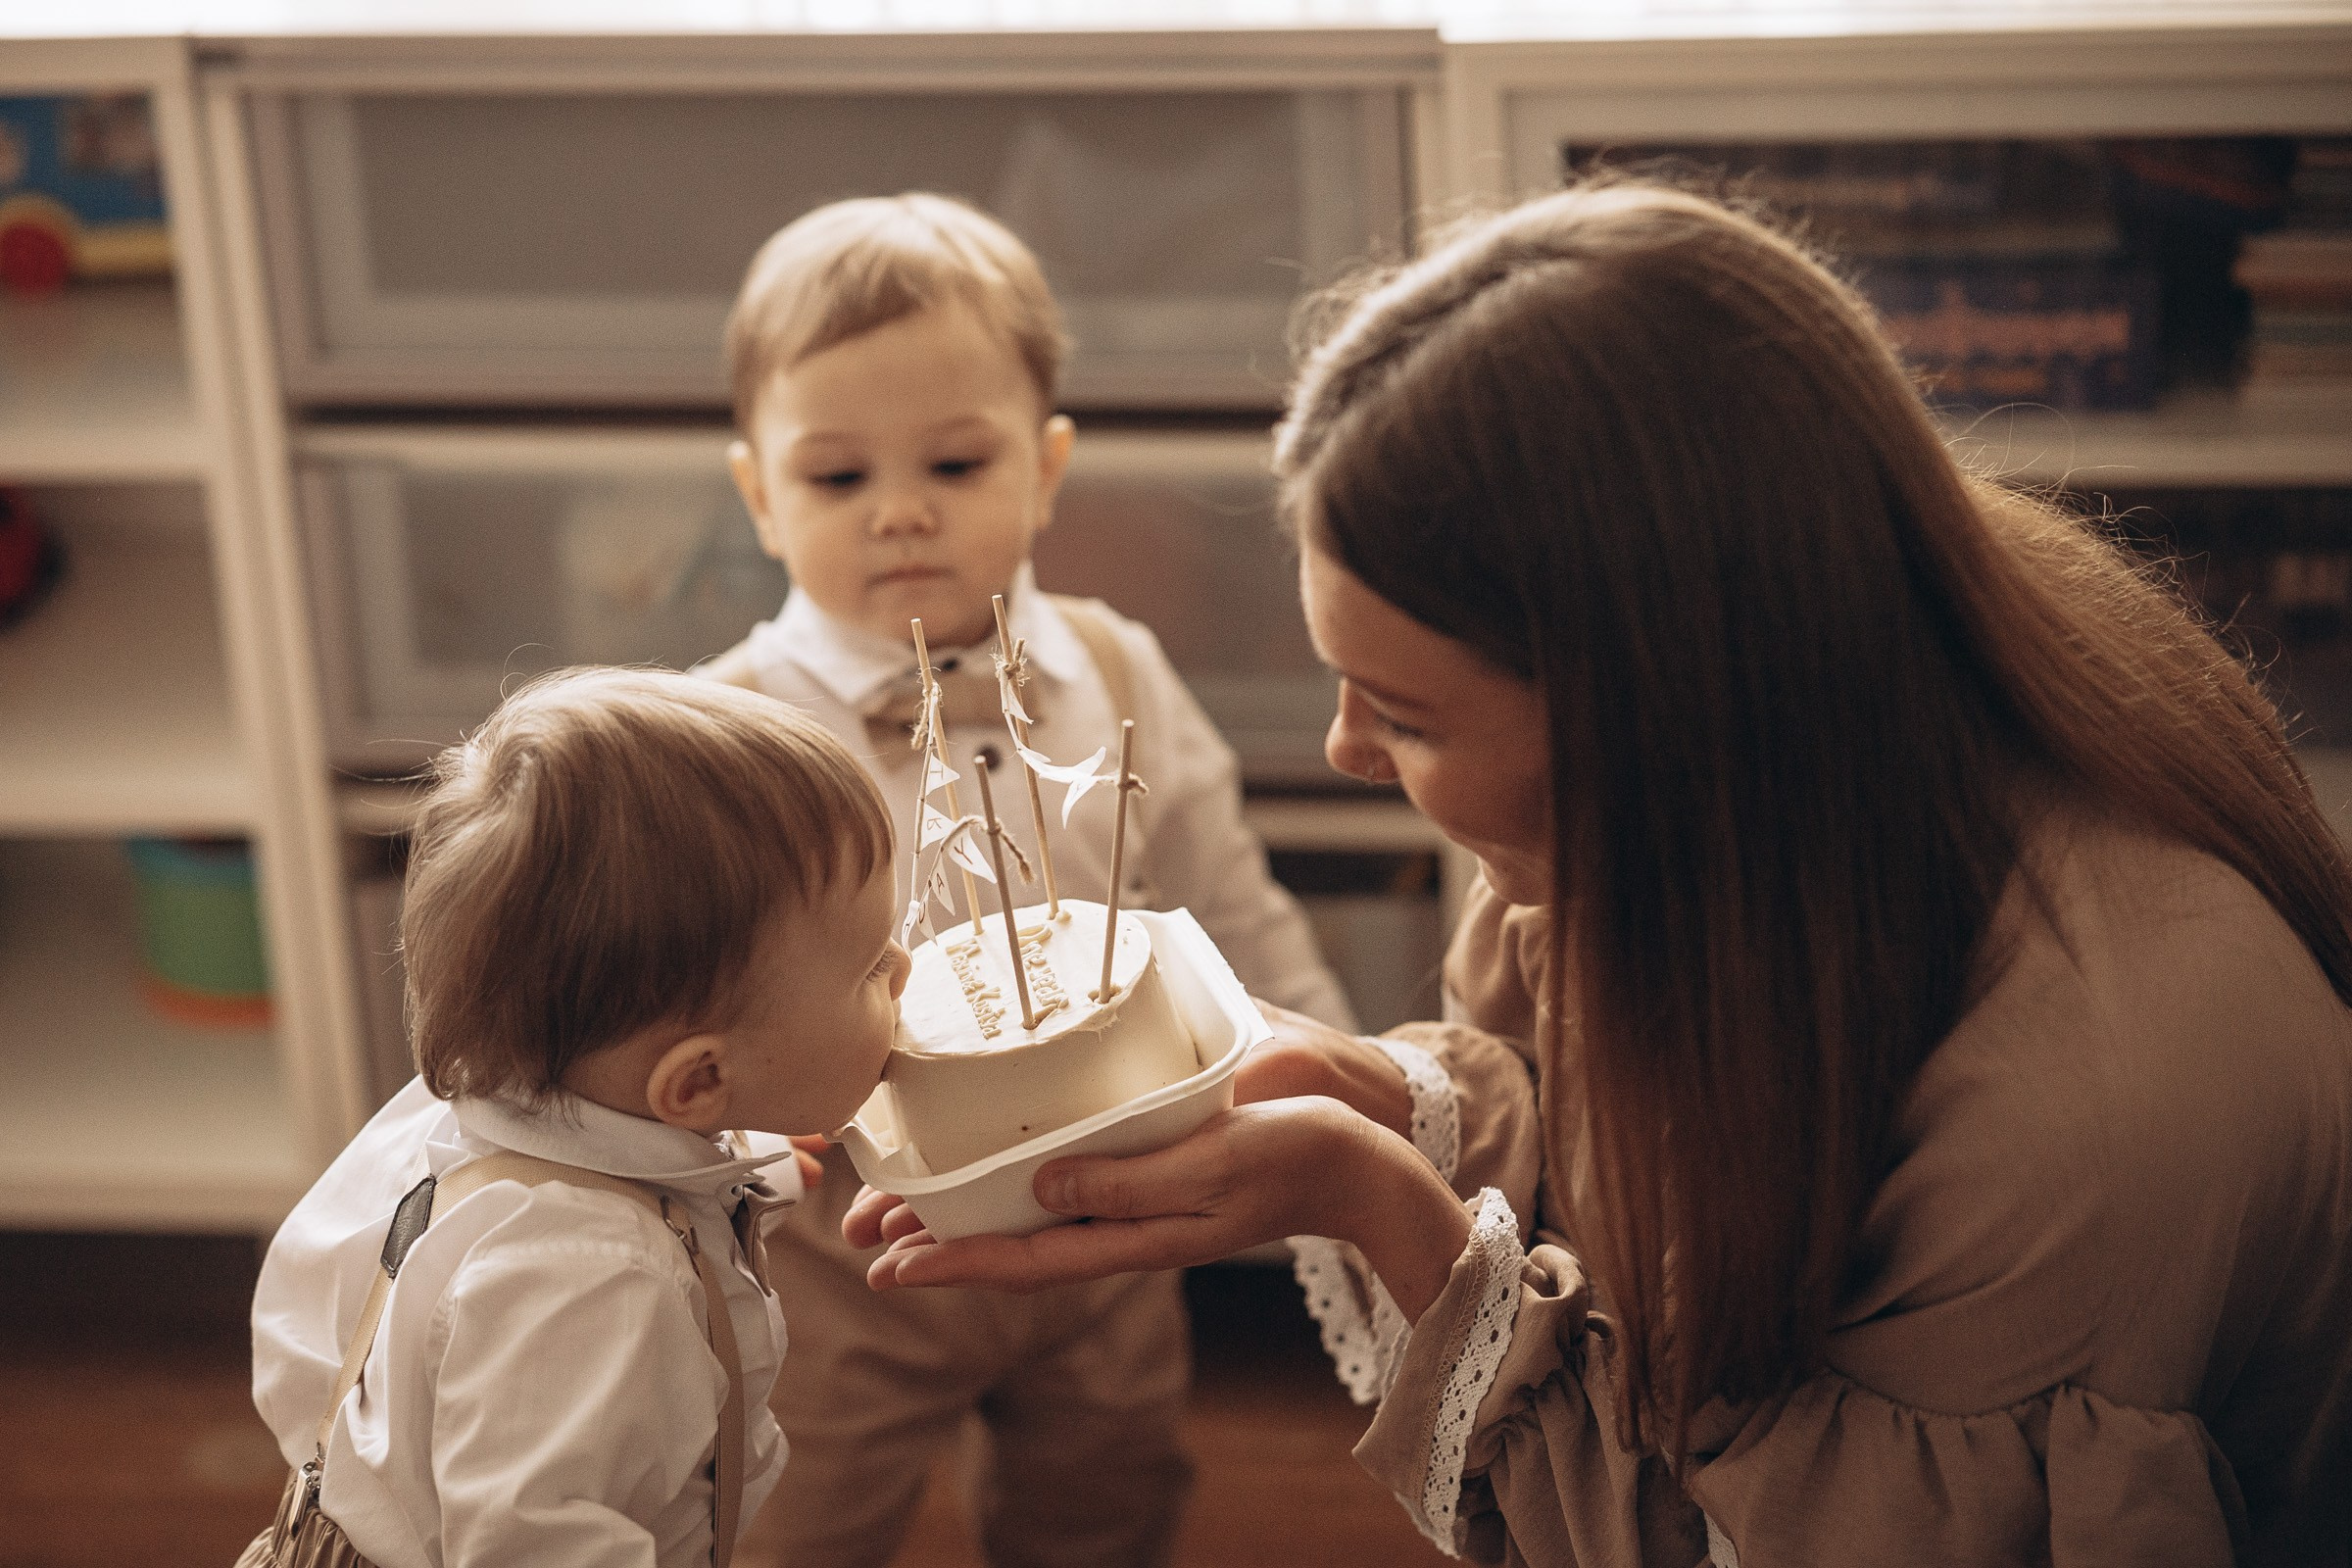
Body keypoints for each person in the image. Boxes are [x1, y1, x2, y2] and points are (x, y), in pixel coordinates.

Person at [851, 184, 2352, 1566]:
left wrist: (1382, 1203)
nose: (1348, 749)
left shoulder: (2080, 1115)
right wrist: (1384, 1097)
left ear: (1663, 707)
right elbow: (1666, 1182)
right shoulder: (1781, 785)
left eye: (1412, 714)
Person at [696, 191, 1356, 1568]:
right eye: (836, 479)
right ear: (758, 492)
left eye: (954, 464)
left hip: (1109, 1221)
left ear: (1048, 469)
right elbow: (678, 1010)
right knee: (791, 1530)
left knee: (1107, 1502)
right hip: (838, 1266)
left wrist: (1345, 1081)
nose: (899, 517)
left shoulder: (1118, 670)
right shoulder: (719, 738)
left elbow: (1225, 909)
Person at [249, 668, 906, 1567]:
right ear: (697, 1080)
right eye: (870, 967)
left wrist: (743, 1147)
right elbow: (536, 1545)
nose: (903, 964)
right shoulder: (588, 1283)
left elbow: (305, 1327)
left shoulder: (480, 1106)